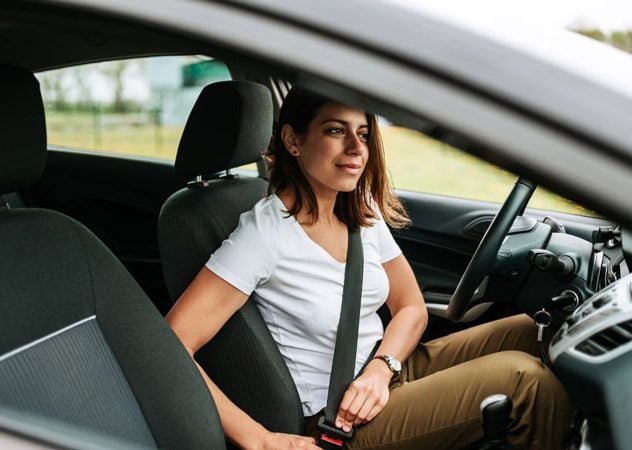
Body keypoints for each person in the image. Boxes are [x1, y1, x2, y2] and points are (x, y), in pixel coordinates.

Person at [166, 86, 571, 450]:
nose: (357, 149)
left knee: (538, 330)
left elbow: (409, 305)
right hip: (338, 416)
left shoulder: (361, 210)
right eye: (336, 131)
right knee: (525, 382)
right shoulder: (264, 233)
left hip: (384, 370)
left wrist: (381, 368)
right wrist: (258, 439)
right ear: (293, 140)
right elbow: (171, 344)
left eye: (362, 134)